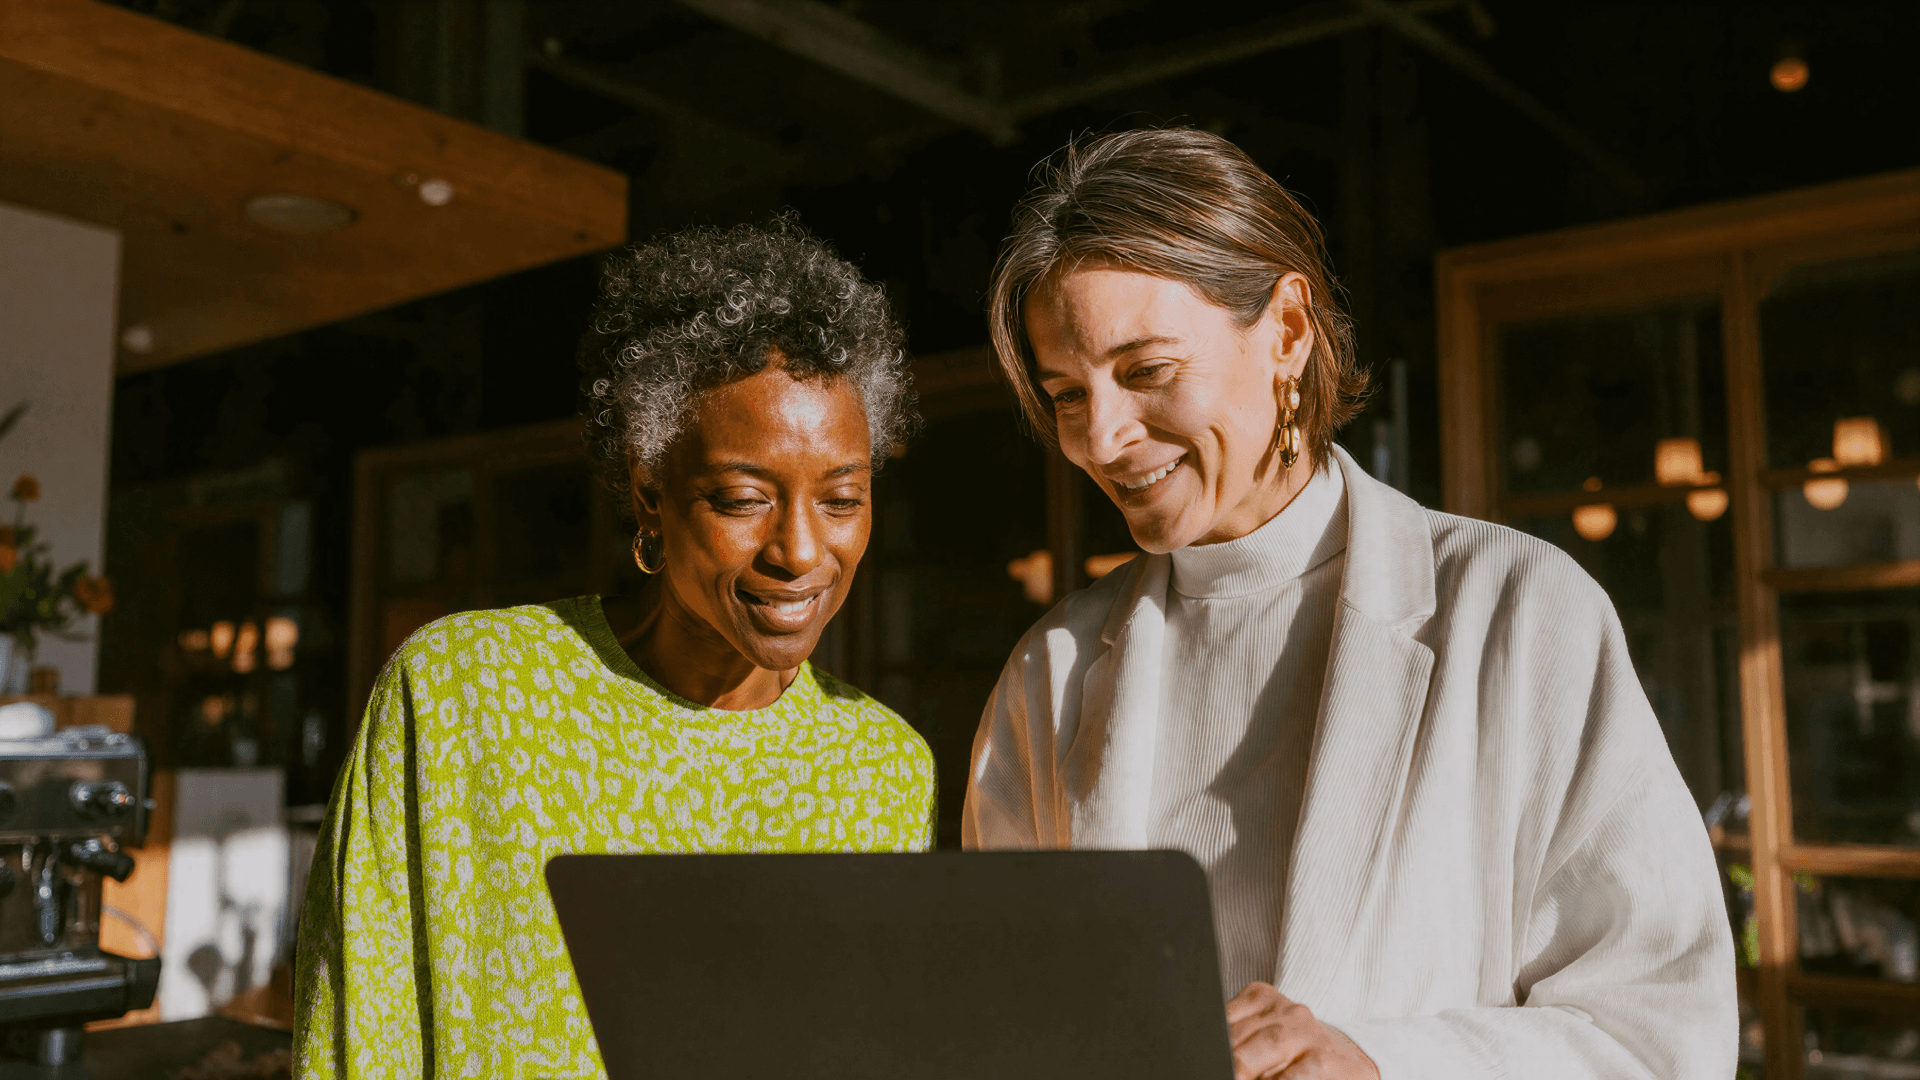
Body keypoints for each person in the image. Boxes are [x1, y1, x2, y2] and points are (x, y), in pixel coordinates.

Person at [963, 128, 1735, 1079]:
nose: (1103, 437)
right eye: (1066, 395)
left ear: (1286, 330)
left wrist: (1379, 1063)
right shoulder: (1052, 671)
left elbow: (1661, 1036)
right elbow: (1007, 1022)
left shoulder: (1521, 611)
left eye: (1147, 371)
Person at [295, 217, 936, 1078]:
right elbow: (357, 1037)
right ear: (648, 494)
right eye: (742, 498)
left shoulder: (883, 772)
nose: (800, 551)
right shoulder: (461, 694)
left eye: (842, 499)